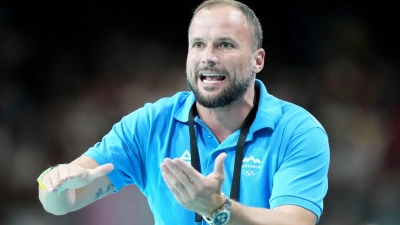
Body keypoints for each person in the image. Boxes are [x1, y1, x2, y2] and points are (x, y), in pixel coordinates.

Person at [37, 0, 330, 224]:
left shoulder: (297, 131)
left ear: (258, 60)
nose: (208, 57)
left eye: (225, 44)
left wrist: (219, 209)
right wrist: (55, 183)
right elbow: (62, 201)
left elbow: (294, 220)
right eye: (198, 44)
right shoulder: (151, 125)